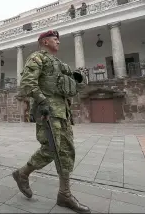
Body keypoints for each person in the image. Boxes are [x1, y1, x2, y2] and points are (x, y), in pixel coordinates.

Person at [12, 30, 91, 213]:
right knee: (51, 148)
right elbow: (27, 83)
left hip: (63, 113)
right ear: (45, 41)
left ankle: (64, 194)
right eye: (55, 40)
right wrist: (42, 101)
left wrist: (77, 79)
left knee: (66, 151)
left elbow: (69, 87)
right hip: (47, 112)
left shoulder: (59, 63)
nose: (59, 42)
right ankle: (23, 174)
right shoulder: (37, 58)